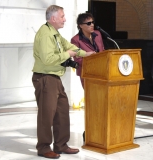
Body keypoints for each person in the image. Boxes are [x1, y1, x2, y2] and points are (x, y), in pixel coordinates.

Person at [32, 5, 95, 159]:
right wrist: (67, 54)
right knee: (46, 115)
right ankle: (43, 147)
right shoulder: (45, 34)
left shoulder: (55, 34)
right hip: (45, 77)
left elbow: (70, 46)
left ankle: (60, 145)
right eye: (62, 16)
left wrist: (85, 53)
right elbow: (48, 59)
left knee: (62, 112)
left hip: (54, 78)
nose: (65, 19)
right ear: (53, 18)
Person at [71, 13, 105, 88]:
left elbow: (102, 50)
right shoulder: (75, 40)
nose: (92, 25)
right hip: (87, 73)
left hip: (102, 71)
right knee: (91, 96)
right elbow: (78, 59)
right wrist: (93, 61)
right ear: (81, 25)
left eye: (93, 22)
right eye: (89, 23)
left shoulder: (98, 34)